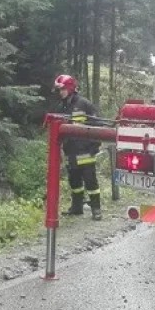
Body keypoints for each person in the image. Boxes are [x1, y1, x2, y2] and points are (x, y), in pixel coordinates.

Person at [52, 74, 102, 220]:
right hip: (71, 152)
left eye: (62, 89)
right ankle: (77, 207)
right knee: (74, 182)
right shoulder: (61, 107)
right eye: (59, 90)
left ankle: (96, 209)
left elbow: (98, 126)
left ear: (70, 88)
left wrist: (94, 147)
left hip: (86, 153)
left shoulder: (84, 104)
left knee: (91, 182)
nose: (60, 92)